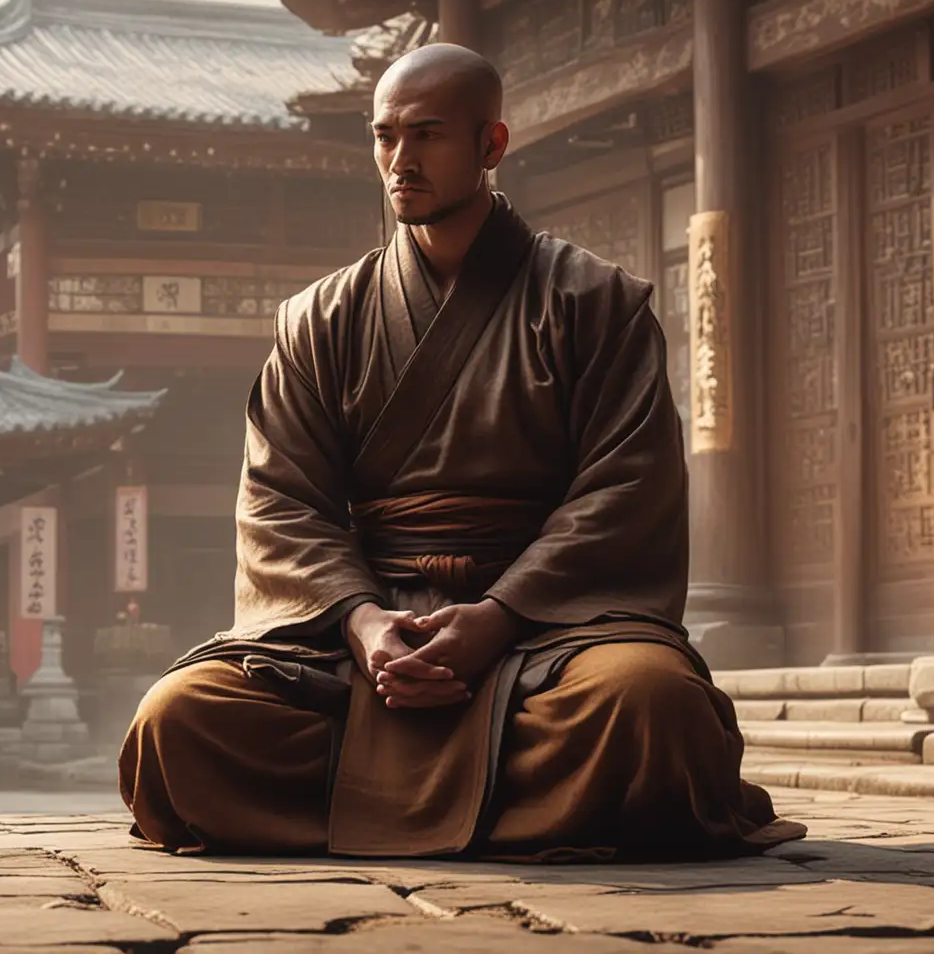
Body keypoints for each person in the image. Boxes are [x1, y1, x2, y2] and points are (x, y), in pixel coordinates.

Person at [120, 43, 802, 861]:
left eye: (426, 135)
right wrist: (365, 623)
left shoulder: (594, 303)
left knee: (652, 706)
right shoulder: (320, 318)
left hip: (548, 635)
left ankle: (370, 804)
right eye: (384, 137)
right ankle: (537, 811)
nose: (399, 160)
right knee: (178, 721)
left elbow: (624, 488)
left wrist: (496, 618)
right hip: (365, 633)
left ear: (491, 145)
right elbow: (280, 501)